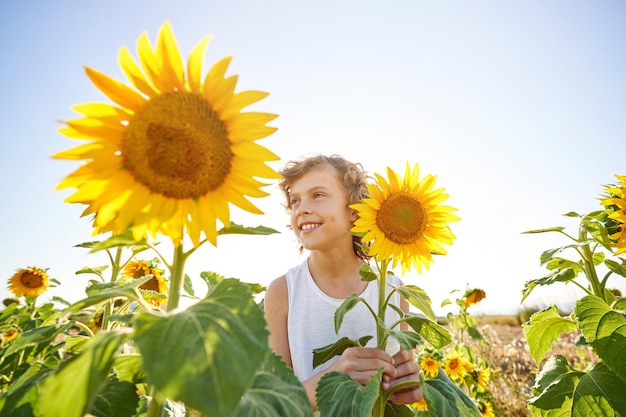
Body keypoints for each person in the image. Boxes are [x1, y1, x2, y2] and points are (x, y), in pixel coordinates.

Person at [264, 154, 423, 411]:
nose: (301, 208)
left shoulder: (392, 290)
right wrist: (334, 378)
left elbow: (403, 380)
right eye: (295, 200)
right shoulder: (283, 292)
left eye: (317, 195)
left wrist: (408, 385)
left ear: (354, 211)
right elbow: (274, 406)